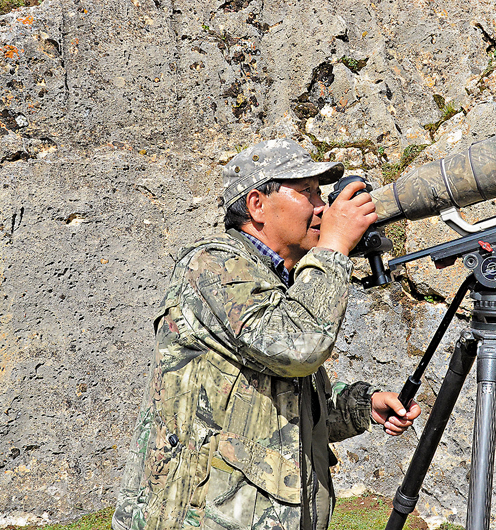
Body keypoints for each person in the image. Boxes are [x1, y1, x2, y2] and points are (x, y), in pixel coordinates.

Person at [112, 138, 421, 530]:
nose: (322, 206)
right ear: (257, 204)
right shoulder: (213, 265)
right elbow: (299, 348)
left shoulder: (278, 284)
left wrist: (363, 405)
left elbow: (283, 403)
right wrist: (334, 247)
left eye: (321, 193)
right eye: (307, 192)